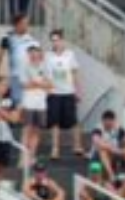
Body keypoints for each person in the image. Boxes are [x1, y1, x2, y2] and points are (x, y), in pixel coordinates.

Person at [45, 30, 85, 160]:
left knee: (73, 120)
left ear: (62, 40)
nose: (55, 42)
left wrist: (78, 90)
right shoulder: (47, 55)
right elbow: (45, 74)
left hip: (68, 92)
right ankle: (55, 149)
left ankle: (77, 146)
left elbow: (75, 73)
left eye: (57, 39)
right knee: (54, 122)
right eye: (53, 40)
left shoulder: (70, 54)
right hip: (54, 92)